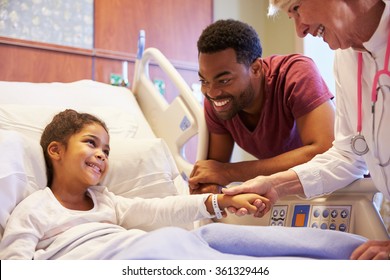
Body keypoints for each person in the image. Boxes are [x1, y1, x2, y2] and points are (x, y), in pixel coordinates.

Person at [224, 0, 390, 260]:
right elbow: (349, 156)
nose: (301, 30)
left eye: (296, 8)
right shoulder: (346, 59)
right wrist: (275, 184)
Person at [0, 109, 269, 259]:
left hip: (142, 251)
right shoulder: (34, 208)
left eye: (106, 150)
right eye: (91, 143)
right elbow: (14, 263)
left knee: (209, 239)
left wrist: (222, 201)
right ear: (56, 151)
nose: (102, 155)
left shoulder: (106, 201)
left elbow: (159, 209)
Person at [189, 19, 335, 194]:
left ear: (256, 68)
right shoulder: (218, 103)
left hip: (342, 188)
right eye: (204, 81)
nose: (212, 92)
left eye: (224, 80)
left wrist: (230, 172)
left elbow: (325, 151)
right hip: (287, 193)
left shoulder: (295, 74)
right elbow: (214, 173)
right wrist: (209, 185)